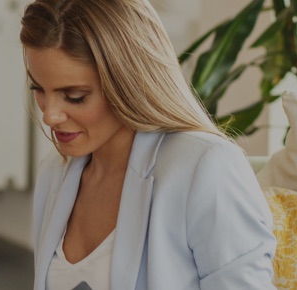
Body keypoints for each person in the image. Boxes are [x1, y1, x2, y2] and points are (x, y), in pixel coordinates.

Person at [21, 0, 277, 289]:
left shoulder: (207, 168)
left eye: (75, 96)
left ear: (127, 82)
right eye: (39, 89)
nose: (49, 115)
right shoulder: (55, 172)